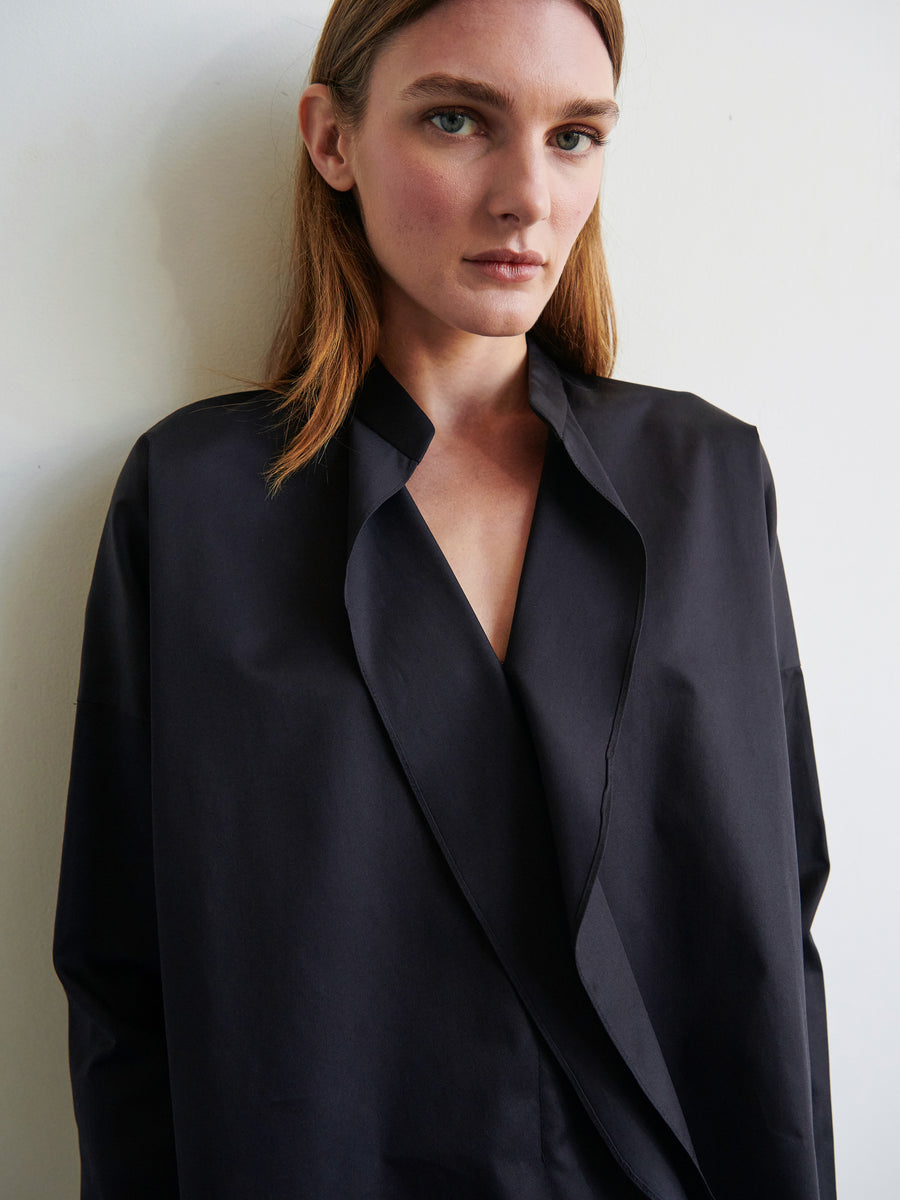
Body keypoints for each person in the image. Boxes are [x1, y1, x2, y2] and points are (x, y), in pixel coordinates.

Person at [53, 0, 835, 1197]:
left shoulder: (707, 482)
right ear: (332, 140)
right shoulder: (198, 504)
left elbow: (775, 926)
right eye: (460, 119)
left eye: (575, 134)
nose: (528, 195)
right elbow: (122, 974)